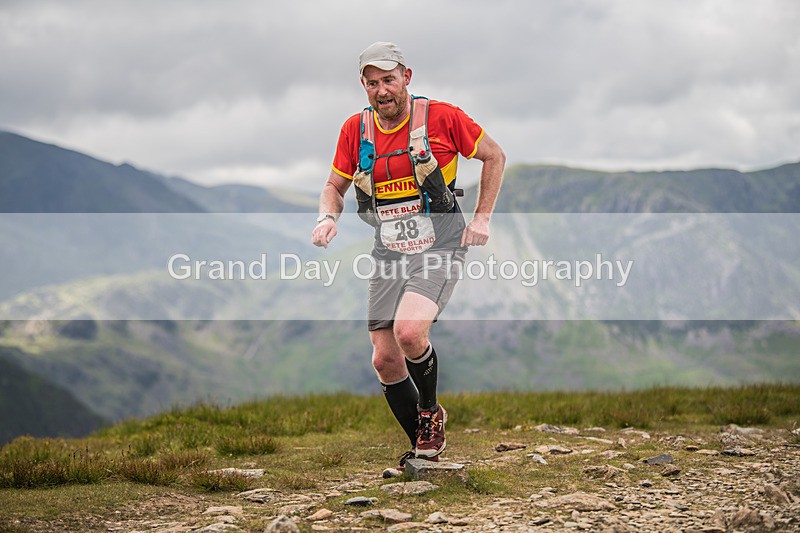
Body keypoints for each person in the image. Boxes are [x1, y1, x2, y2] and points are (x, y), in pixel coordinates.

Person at [311, 42, 505, 468]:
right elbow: (334, 187)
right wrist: (327, 218)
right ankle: (423, 446)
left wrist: (482, 219)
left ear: (406, 77)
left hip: (441, 242)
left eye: (389, 80)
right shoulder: (355, 130)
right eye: (372, 83)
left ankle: (430, 414)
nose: (382, 90)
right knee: (384, 359)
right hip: (389, 249)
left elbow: (494, 155)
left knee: (410, 333)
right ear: (363, 85)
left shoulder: (443, 117)